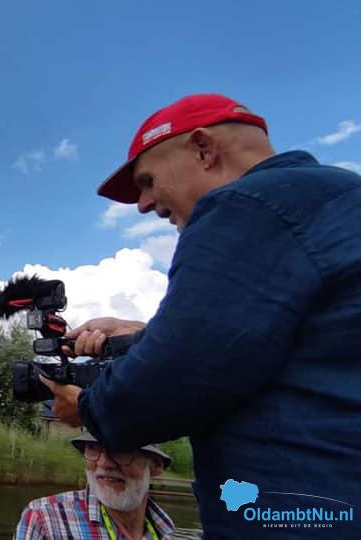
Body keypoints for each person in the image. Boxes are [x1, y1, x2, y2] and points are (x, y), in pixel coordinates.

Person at [40, 94, 361, 537]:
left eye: (148, 181)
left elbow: (174, 379)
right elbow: (279, 343)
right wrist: (143, 336)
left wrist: (85, 407)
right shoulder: (340, 199)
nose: (144, 204)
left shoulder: (246, 204)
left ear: (203, 149)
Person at [14, 432, 176, 539]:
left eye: (120, 449)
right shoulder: (45, 519)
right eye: (93, 448)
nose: (104, 463)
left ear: (156, 465)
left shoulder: (164, 533)